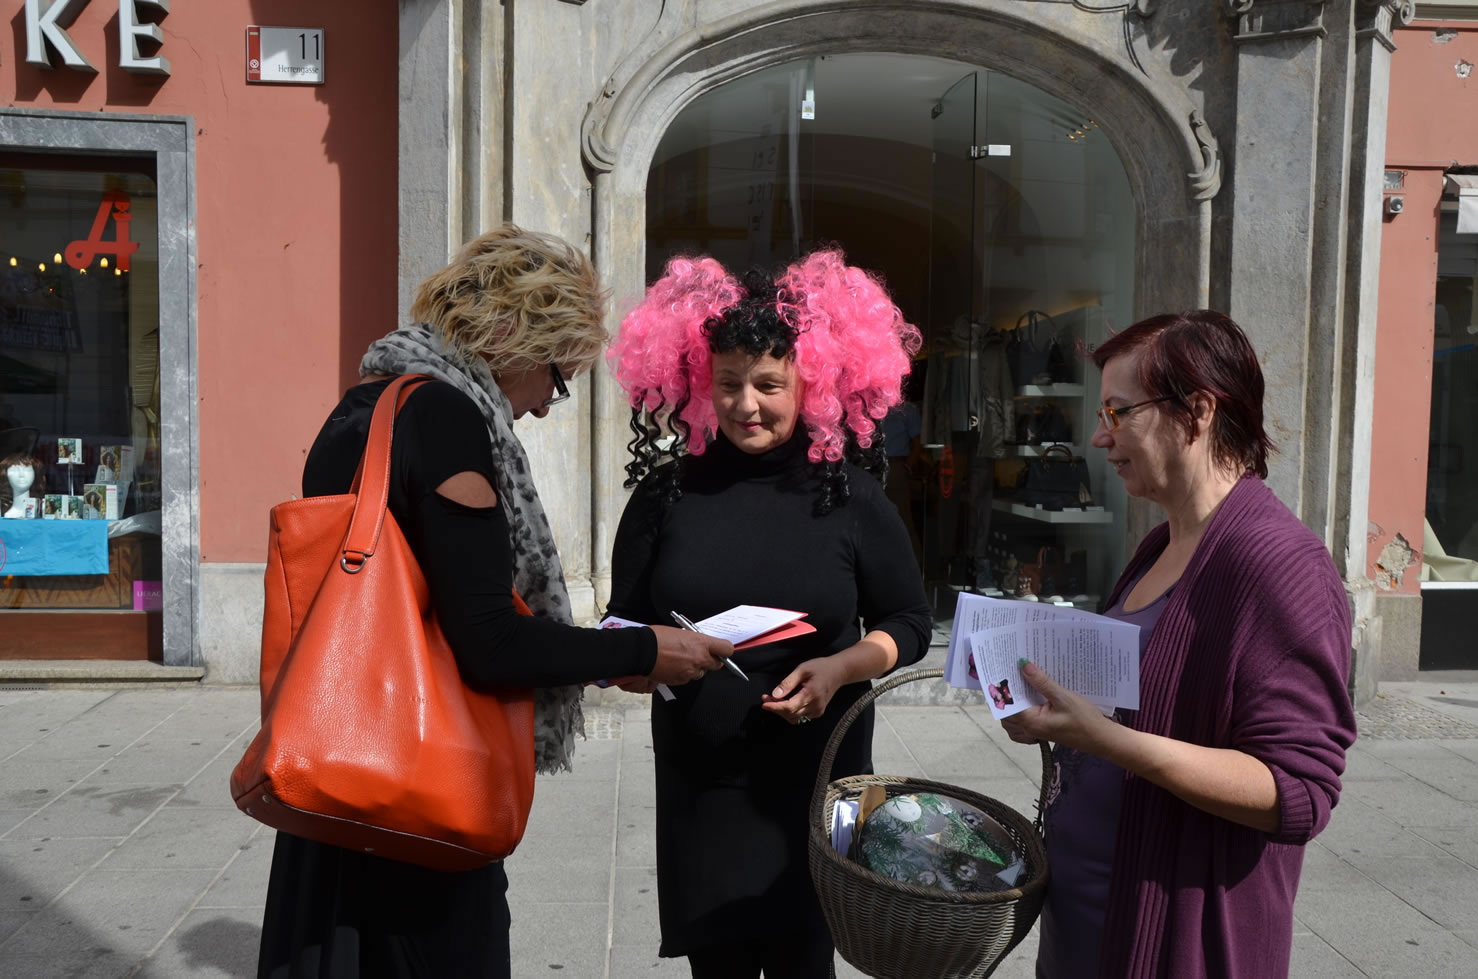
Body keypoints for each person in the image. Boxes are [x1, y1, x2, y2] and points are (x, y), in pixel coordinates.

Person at [255, 225, 733, 979]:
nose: (547, 404)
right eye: (556, 374)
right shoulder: (446, 420)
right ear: (514, 332)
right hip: (415, 805)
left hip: (343, 781)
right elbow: (491, 641)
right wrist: (642, 649)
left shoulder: (363, 410)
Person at [605, 252, 933, 977]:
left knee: (804, 963)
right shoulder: (665, 497)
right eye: (728, 384)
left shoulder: (848, 497)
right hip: (704, 787)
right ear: (700, 383)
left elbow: (909, 621)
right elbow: (621, 630)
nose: (746, 403)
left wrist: (841, 668)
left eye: (768, 384)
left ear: (812, 382)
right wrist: (641, 656)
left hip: (816, 786)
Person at [1001, 310, 1358, 978]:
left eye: (1117, 410)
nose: (1098, 435)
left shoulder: (1280, 564)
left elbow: (1299, 791)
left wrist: (1106, 740)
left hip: (1173, 944)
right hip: (1086, 929)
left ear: (1196, 410)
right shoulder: (1159, 545)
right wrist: (1053, 707)